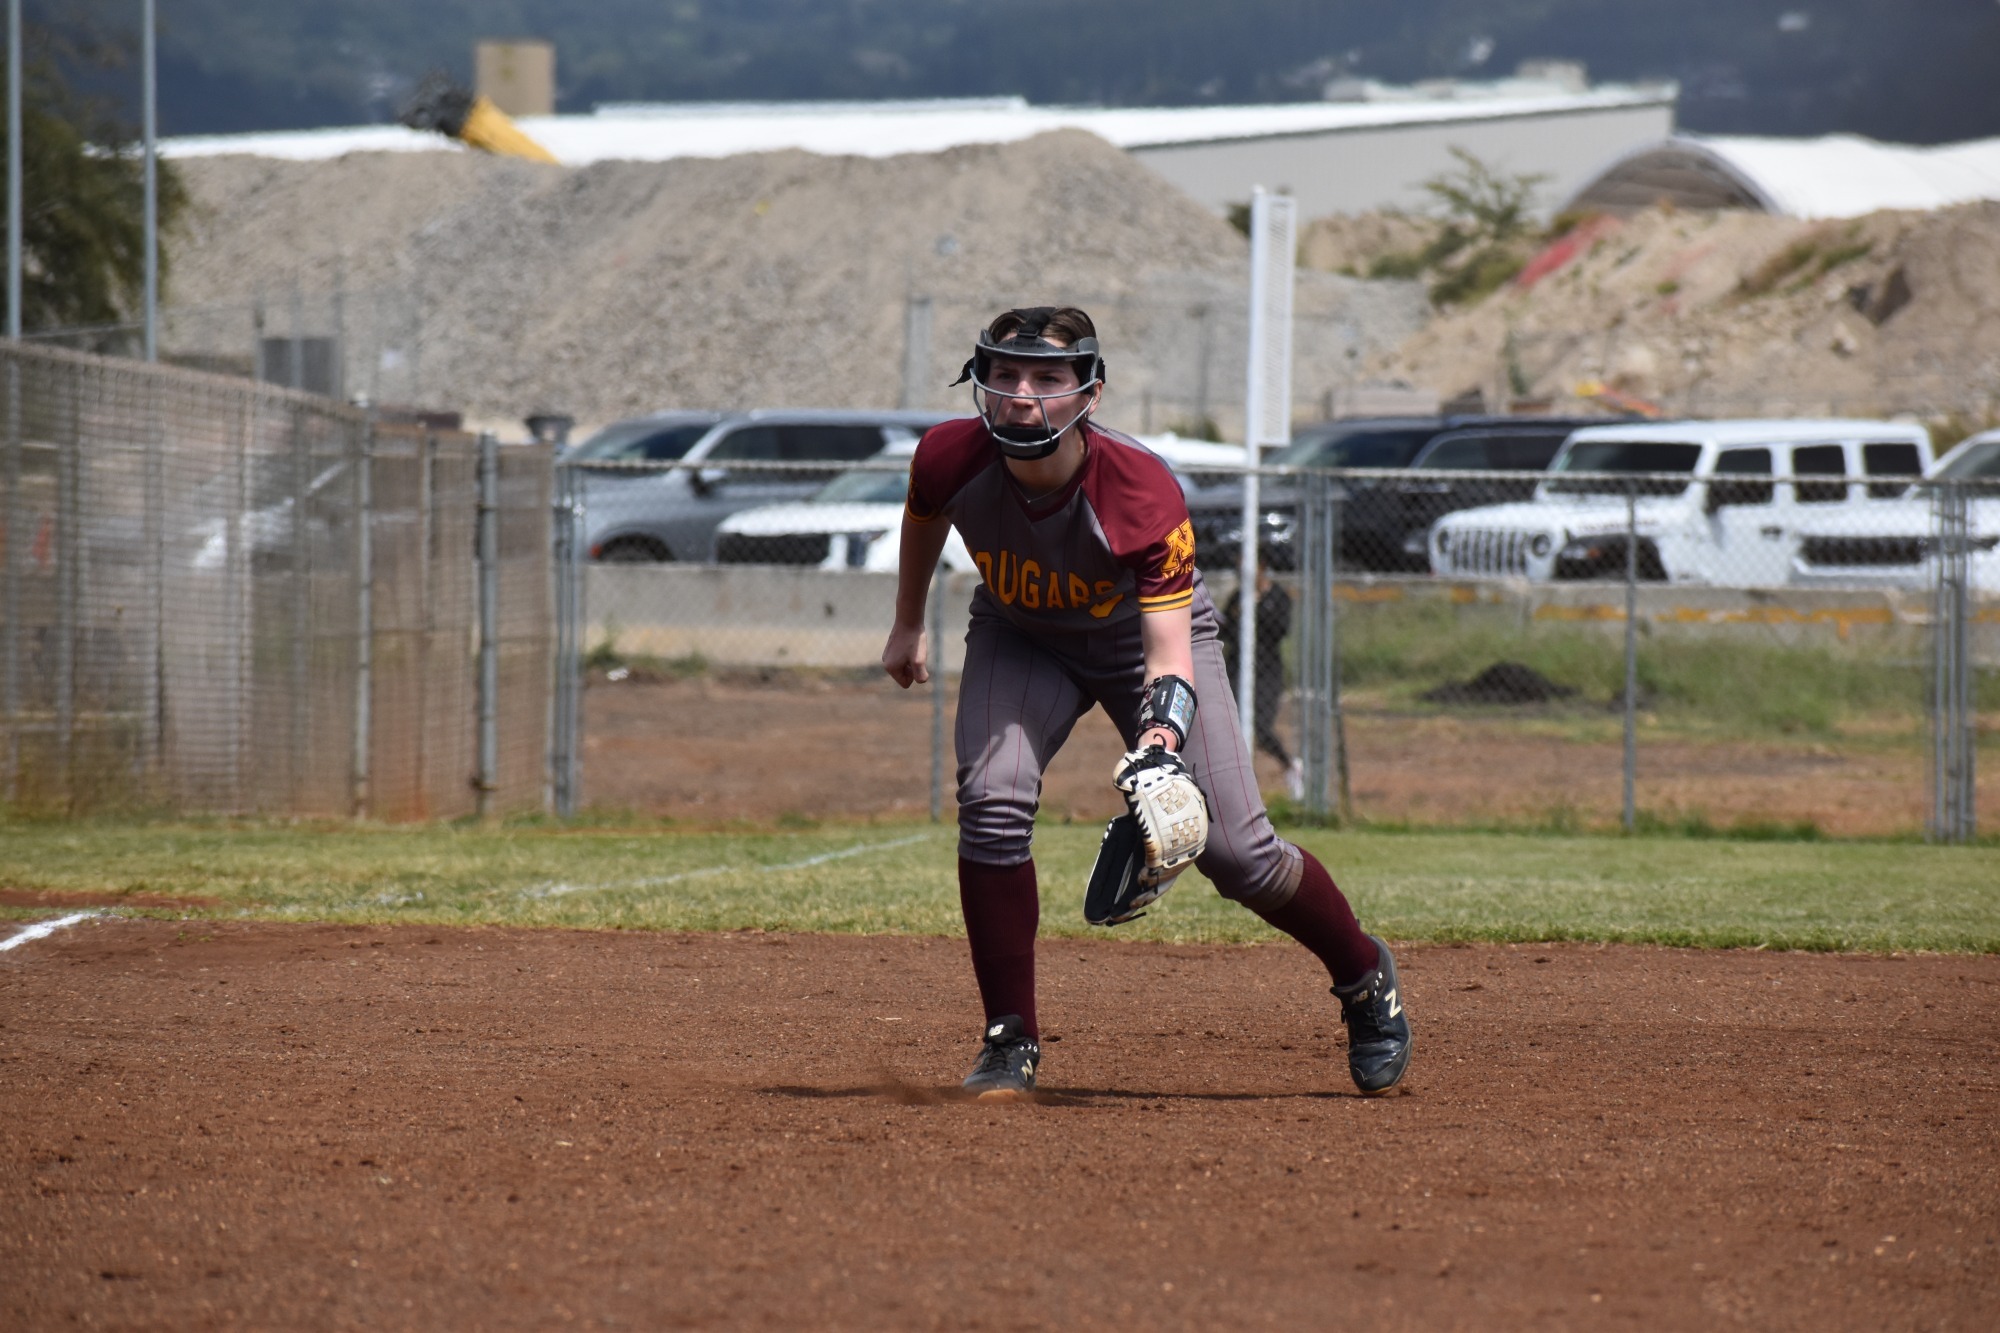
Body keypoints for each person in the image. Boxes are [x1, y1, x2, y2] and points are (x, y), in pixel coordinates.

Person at [881, 306, 1411, 1100]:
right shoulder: (948, 453)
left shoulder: (1138, 483)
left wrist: (1161, 743)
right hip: (1023, 633)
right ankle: (1008, 1039)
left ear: (1090, 393)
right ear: (979, 382)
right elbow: (923, 516)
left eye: (1048, 378)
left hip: (1143, 642)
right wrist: (908, 621)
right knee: (991, 802)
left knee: (1241, 856)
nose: (1022, 394)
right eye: (1004, 374)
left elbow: (1167, 651)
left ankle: (1365, 974)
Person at [1219, 561, 1302, 797]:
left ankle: (1290, 766)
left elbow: (1280, 630)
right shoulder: (1238, 598)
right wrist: (1240, 612)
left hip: (1267, 671)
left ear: (1262, 567)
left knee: (1261, 728)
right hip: (1237, 668)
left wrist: (1258, 608)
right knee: (1230, 727)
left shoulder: (1277, 596)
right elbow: (1225, 631)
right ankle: (1240, 787)